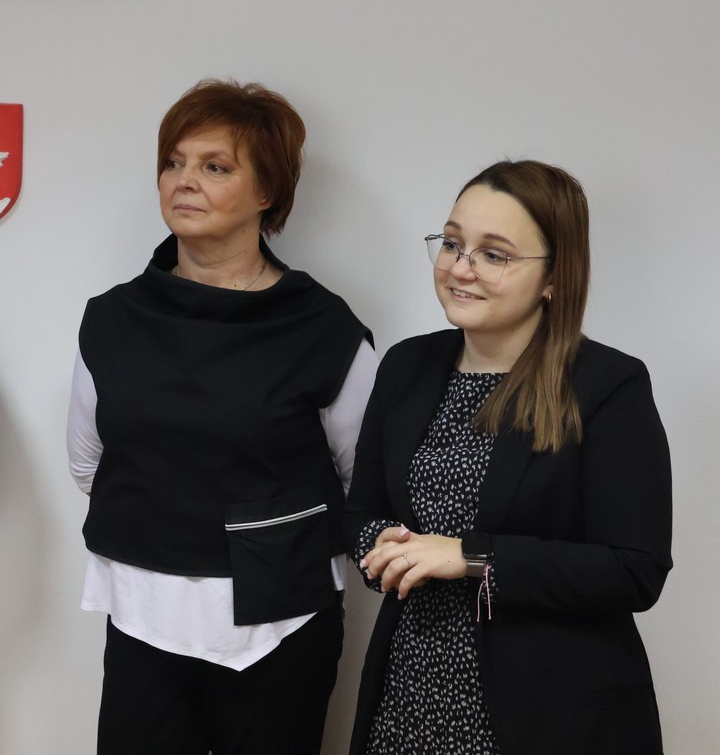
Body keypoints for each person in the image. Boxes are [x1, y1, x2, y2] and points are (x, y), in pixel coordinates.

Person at [67, 80, 375, 754]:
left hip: (282, 623)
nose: (184, 181)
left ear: (267, 192)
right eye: (173, 163)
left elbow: (363, 481)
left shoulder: (323, 329)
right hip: (145, 613)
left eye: (215, 166)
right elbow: (89, 463)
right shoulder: (113, 320)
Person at [344, 160, 672, 755]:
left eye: (493, 254)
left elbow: (635, 570)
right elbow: (360, 511)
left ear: (554, 277)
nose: (459, 268)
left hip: (545, 712)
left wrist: (471, 557)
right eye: (452, 243)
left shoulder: (607, 385)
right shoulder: (406, 365)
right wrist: (384, 544)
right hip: (410, 695)